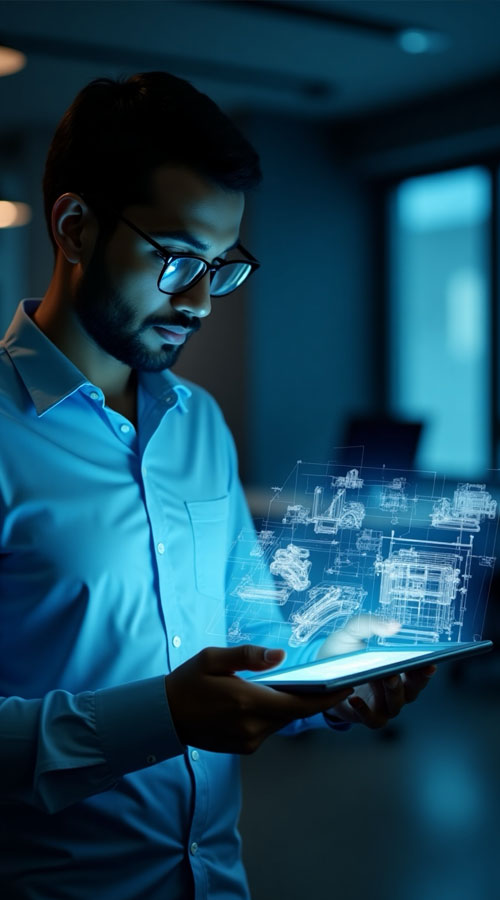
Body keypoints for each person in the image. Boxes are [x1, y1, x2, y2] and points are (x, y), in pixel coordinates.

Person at [0, 72, 435, 900]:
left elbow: (247, 633)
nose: (200, 301)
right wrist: (161, 716)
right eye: (173, 260)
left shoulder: (198, 422)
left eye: (220, 265)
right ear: (75, 228)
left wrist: (325, 676)